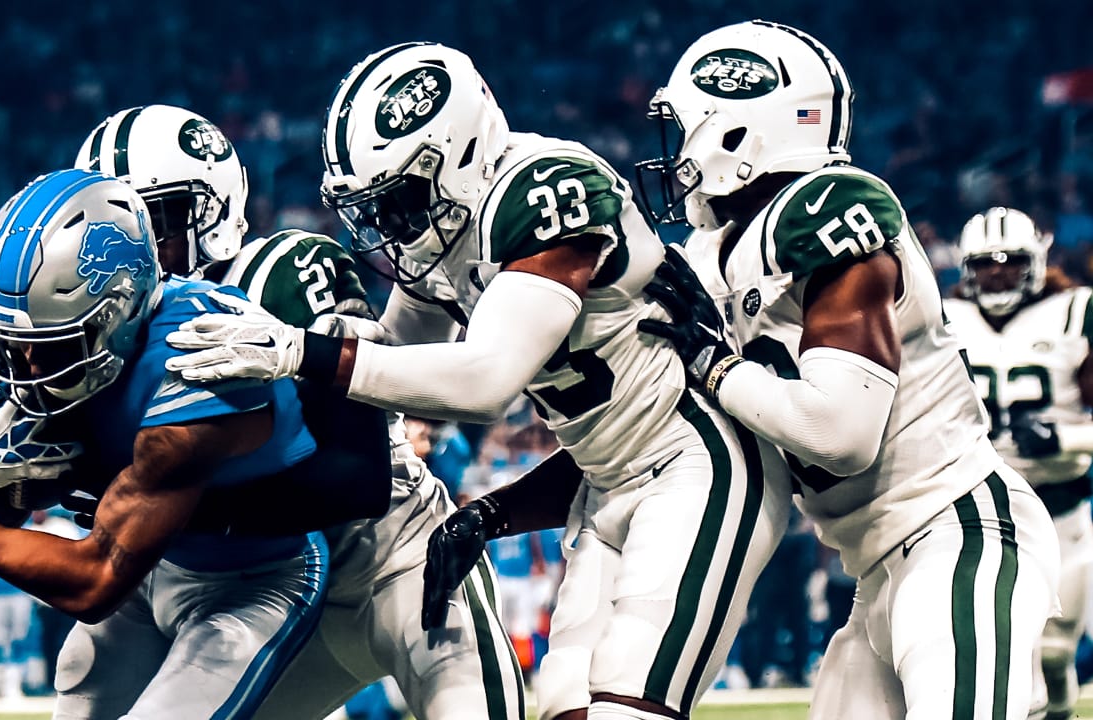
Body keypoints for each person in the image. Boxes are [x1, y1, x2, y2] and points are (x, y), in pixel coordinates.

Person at [164, 42, 791, 720]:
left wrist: (298, 351)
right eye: (373, 208)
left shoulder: (544, 188)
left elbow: (485, 380)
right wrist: (307, 343)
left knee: (627, 709)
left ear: (458, 156)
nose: (389, 227)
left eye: (400, 200)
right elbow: (391, 357)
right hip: (599, 485)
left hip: (694, 462)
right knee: (563, 710)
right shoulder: (446, 238)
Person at [632, 20, 1060, 719]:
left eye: (686, 128)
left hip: (955, 532)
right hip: (874, 570)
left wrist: (712, 365)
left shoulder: (830, 208)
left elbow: (840, 433)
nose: (674, 153)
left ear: (735, 133)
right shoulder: (715, 259)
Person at [78, 103, 525, 720]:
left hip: (394, 560)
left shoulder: (282, 273)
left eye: (155, 219)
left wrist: (176, 500)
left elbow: (357, 480)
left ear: (211, 208)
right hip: (270, 589)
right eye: (111, 231)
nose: (136, 247)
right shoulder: (115, 336)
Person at [0, 168, 329, 720]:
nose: (28, 369)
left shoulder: (191, 369)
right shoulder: (60, 327)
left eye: (51, 347)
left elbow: (94, 581)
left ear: (117, 316)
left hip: (252, 577)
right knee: (78, 697)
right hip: (159, 563)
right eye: (16, 344)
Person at [943, 207, 1093, 720]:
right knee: (1001, 648)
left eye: (1010, 261)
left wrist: (1064, 437)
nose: (998, 272)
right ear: (967, 267)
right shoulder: (944, 320)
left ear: (1036, 262)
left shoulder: (1076, 312)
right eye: (986, 263)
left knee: (1052, 653)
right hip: (983, 508)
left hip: (1060, 508)